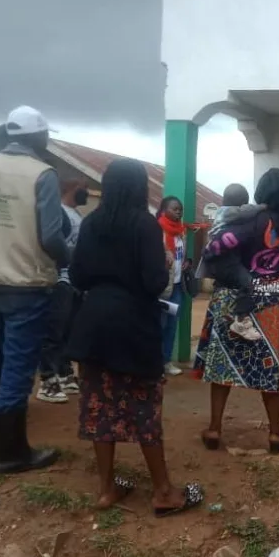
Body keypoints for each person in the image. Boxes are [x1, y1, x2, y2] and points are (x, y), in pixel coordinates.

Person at [66, 159, 203, 516]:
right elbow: (155, 281)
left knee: (98, 405)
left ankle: (107, 489)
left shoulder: (91, 222)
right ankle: (163, 492)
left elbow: (77, 275)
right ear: (140, 188)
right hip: (133, 325)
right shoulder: (144, 224)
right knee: (143, 406)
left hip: (93, 324)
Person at [0, 106, 67, 472]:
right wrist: (66, 259)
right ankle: (12, 452)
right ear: (40, 138)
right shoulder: (42, 174)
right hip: (23, 284)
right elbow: (51, 235)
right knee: (17, 366)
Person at [197, 168, 279, 453]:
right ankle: (275, 432)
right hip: (272, 304)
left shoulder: (256, 220)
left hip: (234, 301)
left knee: (223, 364)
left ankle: (214, 428)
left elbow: (216, 248)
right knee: (268, 367)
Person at [37, 178, 87, 403]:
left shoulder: (77, 214)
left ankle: (64, 372)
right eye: (82, 188)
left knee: (67, 331)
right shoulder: (58, 212)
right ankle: (47, 380)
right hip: (59, 279)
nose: (85, 192)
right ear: (68, 188)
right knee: (52, 332)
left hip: (73, 280)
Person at [202, 183, 263, 342]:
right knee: (248, 282)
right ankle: (241, 319)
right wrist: (263, 207)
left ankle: (240, 320)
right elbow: (247, 212)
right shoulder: (228, 213)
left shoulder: (224, 214)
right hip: (226, 261)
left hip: (222, 264)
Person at [156, 196, 189, 376]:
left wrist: (185, 263)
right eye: (174, 209)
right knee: (158, 325)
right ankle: (156, 363)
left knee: (171, 325)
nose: (178, 212)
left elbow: (180, 254)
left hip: (176, 286)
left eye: (180, 209)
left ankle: (166, 361)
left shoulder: (181, 232)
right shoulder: (158, 230)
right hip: (163, 287)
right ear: (164, 210)